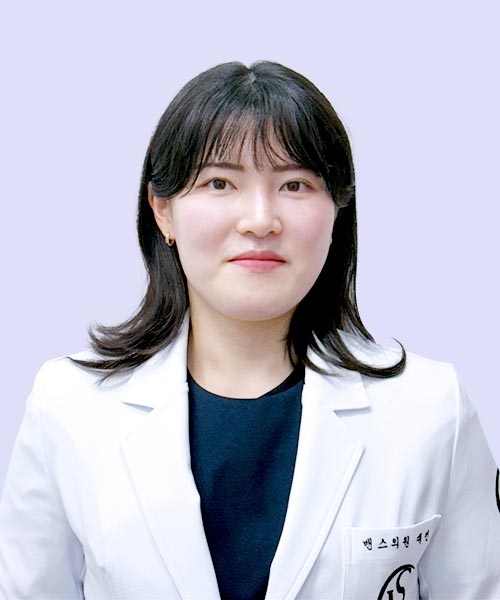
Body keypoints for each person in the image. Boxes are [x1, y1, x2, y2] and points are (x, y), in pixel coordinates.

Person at [0, 61, 498, 600]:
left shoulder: (431, 409)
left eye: (294, 184)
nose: (260, 219)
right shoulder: (68, 407)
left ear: (337, 210)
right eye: (219, 183)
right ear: (162, 210)